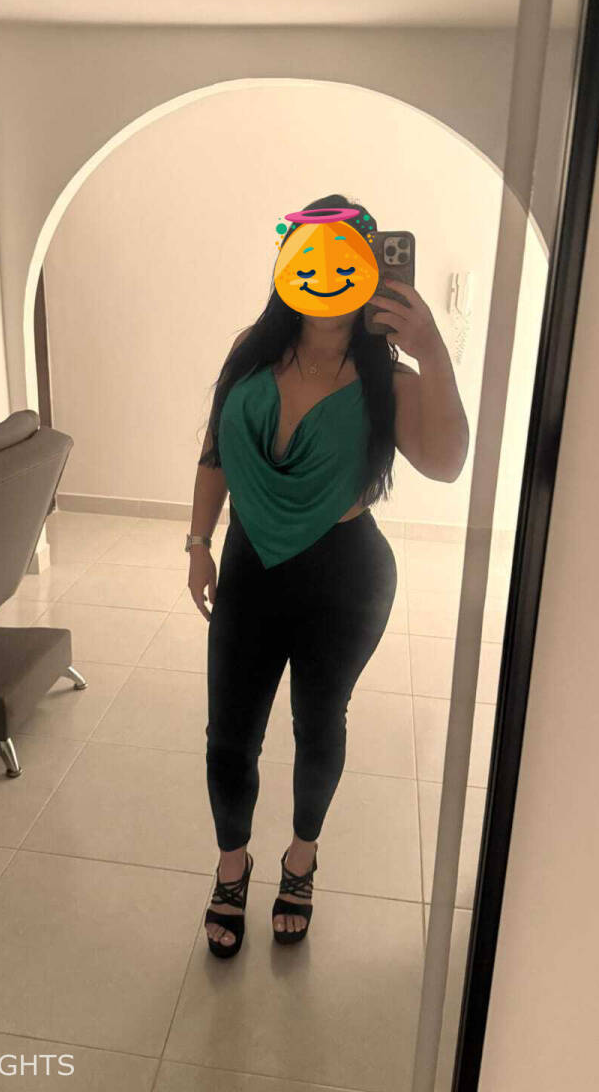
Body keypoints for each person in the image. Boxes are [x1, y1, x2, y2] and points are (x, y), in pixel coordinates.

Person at [187, 194, 469, 958]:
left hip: (344, 575)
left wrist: (433, 352)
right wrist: (199, 542)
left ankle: (301, 861)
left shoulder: (388, 379)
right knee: (228, 737)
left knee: (318, 726)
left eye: (345, 257)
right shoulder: (251, 350)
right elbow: (215, 449)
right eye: (311, 254)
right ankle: (232, 868)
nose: (326, 274)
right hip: (249, 562)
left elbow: (446, 463)